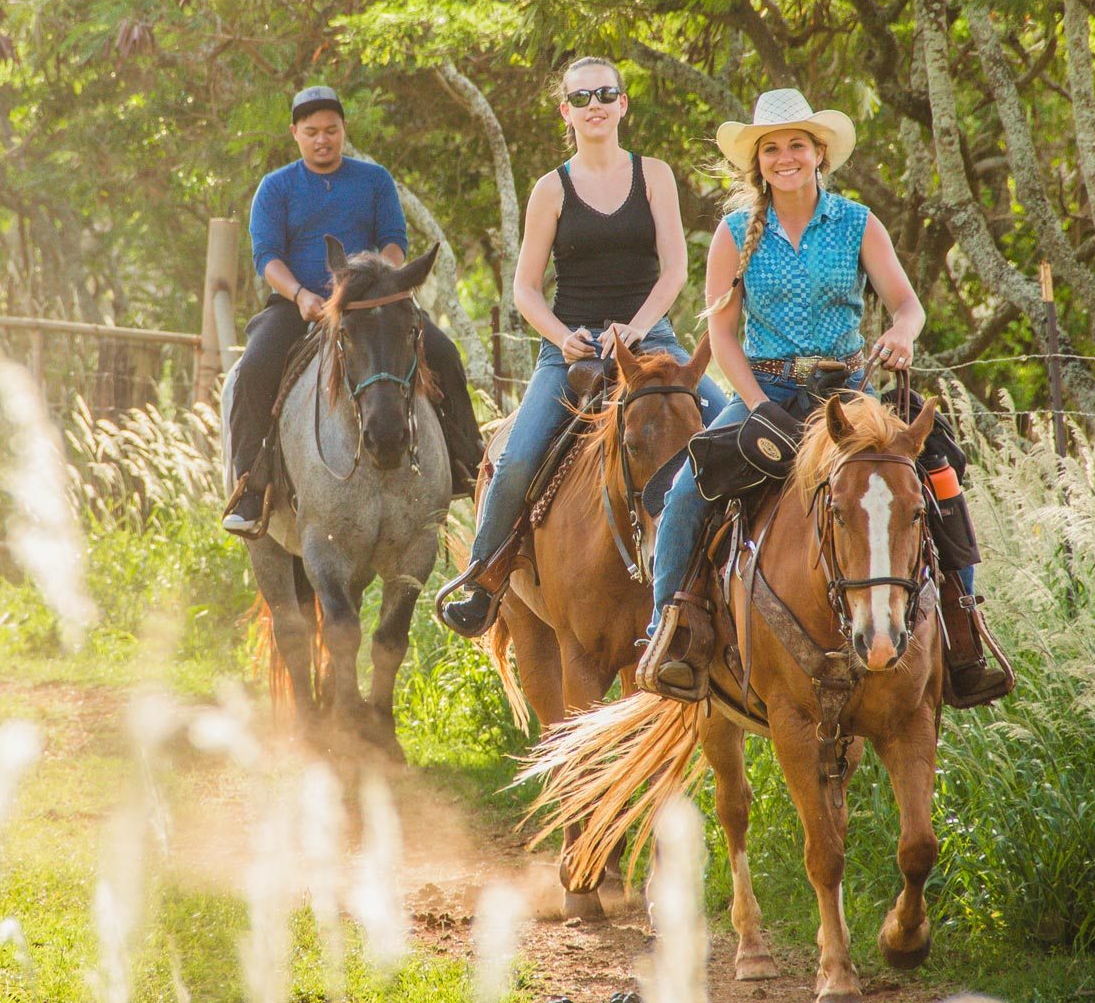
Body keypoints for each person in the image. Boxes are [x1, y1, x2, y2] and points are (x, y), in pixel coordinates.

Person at [640, 87, 1010, 701]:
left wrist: (900, 333)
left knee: (939, 476)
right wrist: (755, 403)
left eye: (797, 146)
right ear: (757, 162)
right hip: (767, 390)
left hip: (849, 391)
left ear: (819, 155)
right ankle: (671, 632)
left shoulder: (858, 223)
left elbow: (907, 304)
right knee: (686, 490)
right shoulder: (734, 235)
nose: (785, 158)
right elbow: (723, 336)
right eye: (772, 149)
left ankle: (962, 629)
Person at [438, 57, 728, 638]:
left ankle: (737, 572)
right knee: (517, 458)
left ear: (622, 104)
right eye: (581, 97)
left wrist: (637, 329)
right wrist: (561, 336)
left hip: (651, 341)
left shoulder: (654, 176)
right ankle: (484, 579)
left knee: (727, 427)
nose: (594, 104)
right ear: (565, 112)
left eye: (605, 93)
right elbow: (525, 287)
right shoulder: (552, 188)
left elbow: (674, 271)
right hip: (571, 349)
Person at [223, 85, 483, 536]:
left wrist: (385, 284)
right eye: (312, 132)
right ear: (295, 134)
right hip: (299, 304)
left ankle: (468, 462)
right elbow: (266, 257)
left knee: (443, 353)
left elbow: (394, 242)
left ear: (344, 130)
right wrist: (302, 295)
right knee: (254, 366)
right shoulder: (276, 187)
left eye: (331, 130)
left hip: (372, 304)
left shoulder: (374, 179)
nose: (322, 140)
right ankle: (250, 485)